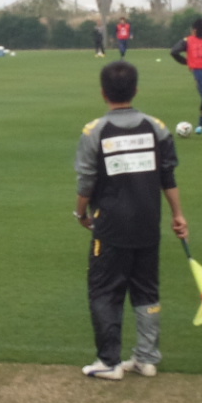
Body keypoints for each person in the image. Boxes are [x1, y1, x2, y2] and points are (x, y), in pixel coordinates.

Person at [73, 59, 187, 381]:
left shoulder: (94, 132)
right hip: (148, 223)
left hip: (110, 226)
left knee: (104, 290)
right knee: (146, 290)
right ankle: (147, 359)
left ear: (103, 92)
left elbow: (86, 182)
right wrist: (178, 215)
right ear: (135, 90)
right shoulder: (157, 128)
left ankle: (109, 361)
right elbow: (168, 176)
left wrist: (80, 213)